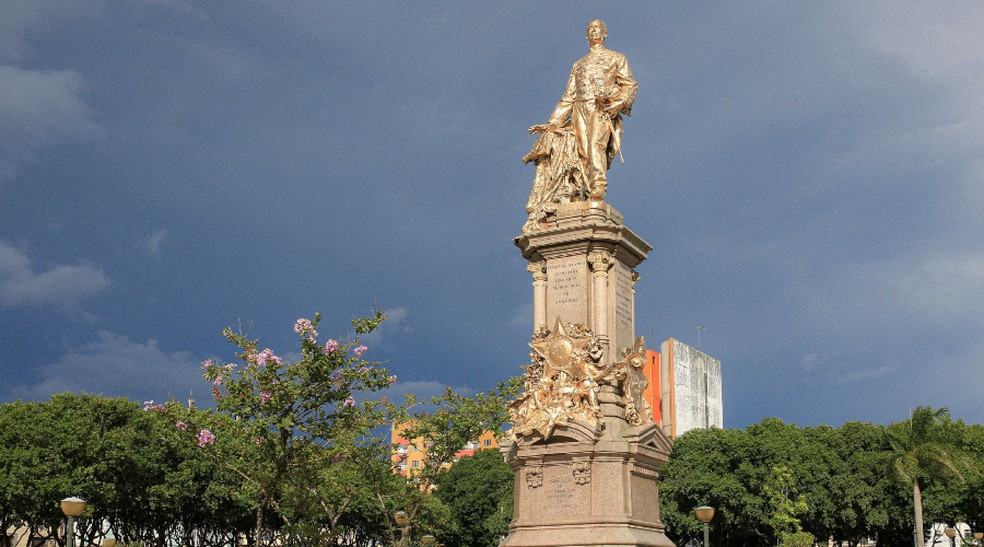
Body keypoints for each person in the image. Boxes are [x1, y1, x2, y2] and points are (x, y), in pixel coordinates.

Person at [530, 19, 637, 201]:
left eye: (598, 28)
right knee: (582, 152)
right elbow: (569, 96)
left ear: (605, 33)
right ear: (587, 35)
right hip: (580, 108)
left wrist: (619, 103)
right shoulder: (578, 64)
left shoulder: (616, 57)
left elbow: (630, 85)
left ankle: (598, 186)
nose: (594, 31)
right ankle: (584, 191)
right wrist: (553, 122)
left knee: (596, 145)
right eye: (591, 29)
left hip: (600, 108)